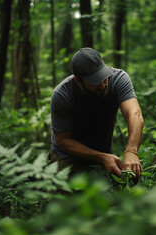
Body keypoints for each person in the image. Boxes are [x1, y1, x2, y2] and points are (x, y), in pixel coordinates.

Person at [49, 47, 144, 182]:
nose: (103, 84)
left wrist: (131, 151)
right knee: (73, 199)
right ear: (78, 81)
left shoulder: (118, 79)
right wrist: (102, 157)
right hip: (68, 157)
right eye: (95, 81)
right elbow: (63, 141)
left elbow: (134, 114)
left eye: (103, 76)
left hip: (103, 155)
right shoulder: (62, 94)